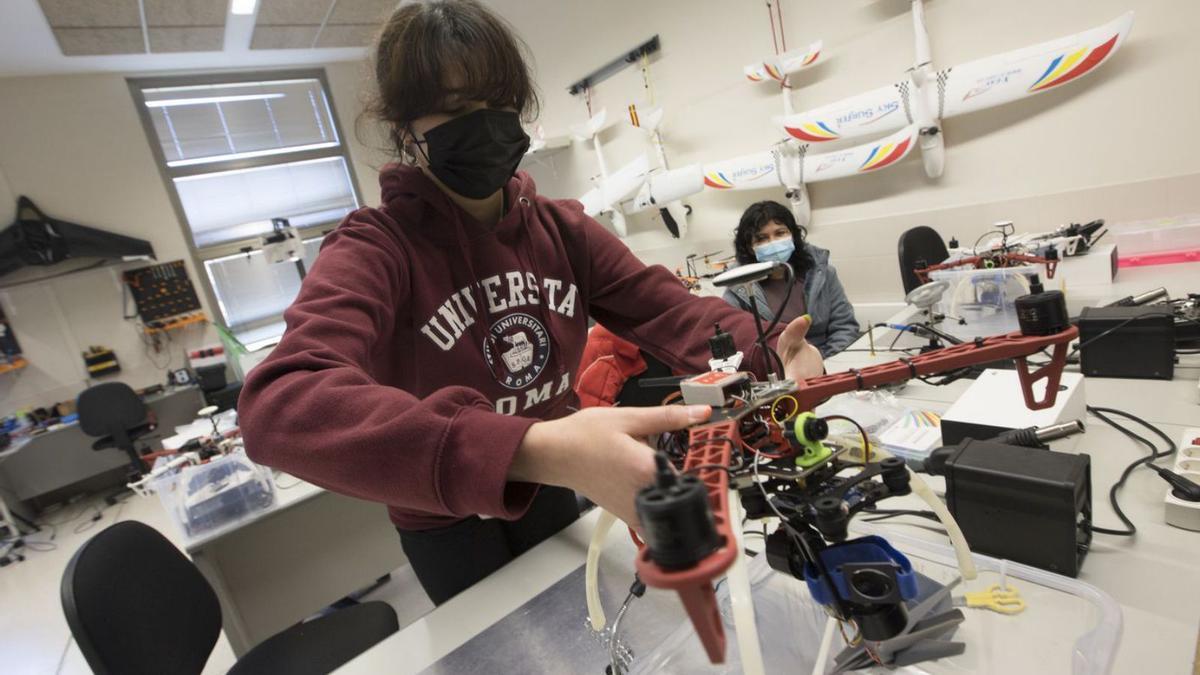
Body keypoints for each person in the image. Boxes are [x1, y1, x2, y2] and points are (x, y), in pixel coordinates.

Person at [238, 0, 823, 606]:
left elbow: (667, 310)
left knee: (582, 619)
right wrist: (528, 446)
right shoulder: (374, 246)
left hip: (554, 481)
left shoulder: (561, 229)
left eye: (501, 104)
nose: (487, 124)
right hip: (445, 512)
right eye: (459, 108)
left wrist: (770, 351)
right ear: (406, 128)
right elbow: (281, 404)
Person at [723, 201, 860, 358]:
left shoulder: (822, 273)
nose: (773, 242)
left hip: (828, 361)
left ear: (793, 235)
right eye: (761, 238)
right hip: (777, 371)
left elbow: (844, 326)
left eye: (780, 233)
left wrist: (826, 367)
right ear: (749, 247)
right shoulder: (739, 289)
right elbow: (741, 345)